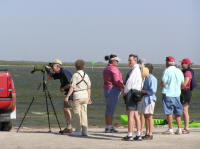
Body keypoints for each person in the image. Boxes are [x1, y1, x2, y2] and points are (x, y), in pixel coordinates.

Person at [65, 59, 91, 136]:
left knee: (77, 113)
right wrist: (89, 98)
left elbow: (72, 87)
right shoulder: (86, 75)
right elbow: (89, 88)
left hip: (77, 96)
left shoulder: (75, 75)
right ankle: (85, 131)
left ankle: (78, 130)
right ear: (83, 66)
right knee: (84, 113)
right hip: (85, 96)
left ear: (76, 67)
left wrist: (67, 96)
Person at [48, 59, 73, 133]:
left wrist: (63, 88)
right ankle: (69, 126)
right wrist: (48, 71)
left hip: (72, 92)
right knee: (66, 109)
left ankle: (69, 127)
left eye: (53, 66)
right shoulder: (59, 73)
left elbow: (71, 84)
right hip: (69, 92)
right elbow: (50, 78)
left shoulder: (64, 72)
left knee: (66, 109)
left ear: (58, 66)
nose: (52, 68)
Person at [162, 56, 184, 135]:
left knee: (169, 112)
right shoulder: (179, 71)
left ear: (168, 62)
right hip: (177, 94)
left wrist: (165, 84)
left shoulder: (167, 71)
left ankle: (170, 129)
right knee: (177, 112)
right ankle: (179, 128)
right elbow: (182, 84)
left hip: (168, 93)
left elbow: (163, 83)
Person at [122, 54, 143, 141]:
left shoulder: (135, 69)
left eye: (130, 60)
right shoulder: (139, 69)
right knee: (136, 114)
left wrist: (124, 92)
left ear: (135, 60)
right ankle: (138, 134)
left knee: (130, 115)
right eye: (128, 60)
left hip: (132, 92)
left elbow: (129, 83)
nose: (129, 62)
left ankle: (130, 134)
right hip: (137, 92)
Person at [103, 54, 124, 133]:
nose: (118, 62)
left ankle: (108, 126)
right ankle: (109, 127)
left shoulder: (106, 68)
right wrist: (124, 87)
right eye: (117, 60)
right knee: (111, 109)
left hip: (107, 90)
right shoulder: (114, 69)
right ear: (113, 61)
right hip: (113, 90)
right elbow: (117, 81)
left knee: (108, 109)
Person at [141, 63, 157, 140]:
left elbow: (153, 90)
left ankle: (150, 133)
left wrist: (143, 91)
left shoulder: (151, 78)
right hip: (146, 98)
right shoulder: (146, 77)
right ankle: (147, 132)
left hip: (150, 99)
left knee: (149, 117)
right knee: (146, 116)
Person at [180, 58, 193, 134]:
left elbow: (185, 84)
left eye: (183, 63)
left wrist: (178, 84)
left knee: (185, 110)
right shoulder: (185, 71)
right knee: (184, 110)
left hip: (186, 92)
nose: (182, 65)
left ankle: (186, 128)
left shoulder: (187, 72)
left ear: (187, 64)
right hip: (184, 92)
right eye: (181, 63)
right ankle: (185, 127)